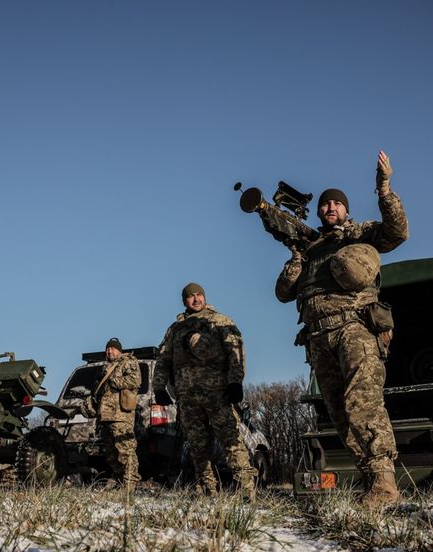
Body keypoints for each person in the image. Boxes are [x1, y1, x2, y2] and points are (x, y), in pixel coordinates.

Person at [275, 150, 409, 507]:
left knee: (362, 402)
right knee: (339, 412)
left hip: (354, 328)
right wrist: (297, 258)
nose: (330, 208)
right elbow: (282, 293)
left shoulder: (358, 234)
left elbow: (398, 232)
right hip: (318, 337)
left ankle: (385, 483)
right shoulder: (310, 248)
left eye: (336, 203)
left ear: (345, 209)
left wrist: (384, 188)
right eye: (325, 204)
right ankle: (372, 482)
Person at [153, 283, 256, 499]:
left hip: (218, 394)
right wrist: (159, 387)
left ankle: (246, 489)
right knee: (198, 447)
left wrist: (235, 383)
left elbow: (236, 352)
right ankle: (208, 490)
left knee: (231, 440)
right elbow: (163, 359)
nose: (196, 299)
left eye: (199, 295)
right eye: (191, 297)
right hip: (188, 397)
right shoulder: (175, 329)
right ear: (184, 301)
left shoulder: (220, 320)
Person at [90, 337, 141, 493]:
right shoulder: (106, 367)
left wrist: (112, 380)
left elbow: (135, 380)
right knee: (110, 451)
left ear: (119, 350)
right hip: (105, 415)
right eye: (107, 349)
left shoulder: (128, 362)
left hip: (121, 414)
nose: (109, 351)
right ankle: (118, 478)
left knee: (125, 448)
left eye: (112, 348)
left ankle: (130, 481)